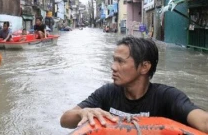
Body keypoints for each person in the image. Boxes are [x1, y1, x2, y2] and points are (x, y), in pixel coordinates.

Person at [60, 36, 208, 133]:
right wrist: (82, 113)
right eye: (114, 60)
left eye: (120, 61)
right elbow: (64, 120)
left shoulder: (167, 97)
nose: (113, 66)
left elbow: (203, 122)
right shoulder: (107, 93)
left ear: (144, 67)